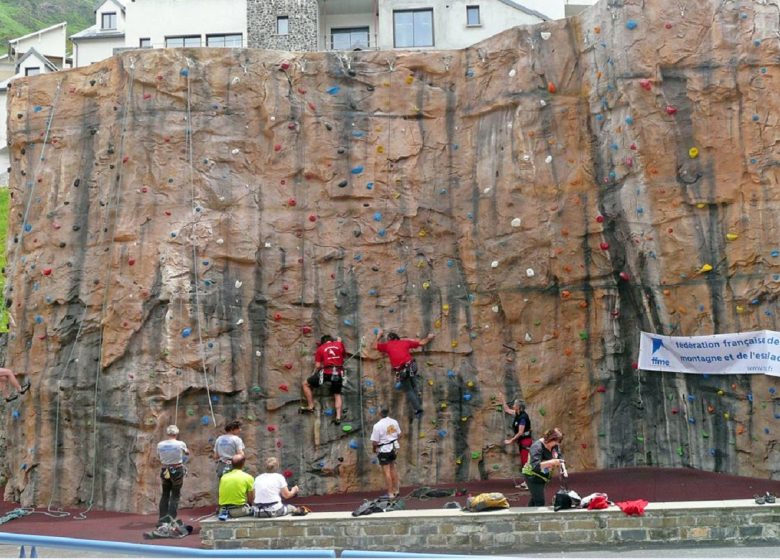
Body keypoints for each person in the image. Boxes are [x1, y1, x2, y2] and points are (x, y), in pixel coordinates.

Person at [374, 329, 435, 418]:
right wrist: (429, 338)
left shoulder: (388, 345)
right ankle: (417, 392)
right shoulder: (405, 342)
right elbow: (422, 343)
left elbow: (373, 346)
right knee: (412, 384)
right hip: (412, 366)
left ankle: (418, 410)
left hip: (402, 370)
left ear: (391, 339)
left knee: (408, 390)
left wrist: (378, 335)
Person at [301, 335, 346, 424]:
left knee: (305, 384)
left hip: (326, 373)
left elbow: (317, 365)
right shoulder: (339, 344)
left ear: (323, 342)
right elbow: (343, 356)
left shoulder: (321, 348)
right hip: (338, 373)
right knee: (337, 394)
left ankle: (311, 406)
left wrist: (314, 373)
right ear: (331, 341)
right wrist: (339, 342)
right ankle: (338, 417)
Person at [522, 428, 565, 507]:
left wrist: (561, 466)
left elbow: (559, 456)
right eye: (556, 442)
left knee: (535, 498)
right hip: (532, 476)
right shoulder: (537, 447)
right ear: (550, 439)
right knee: (540, 501)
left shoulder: (555, 446)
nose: (557, 444)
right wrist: (551, 462)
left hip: (543, 476)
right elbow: (535, 466)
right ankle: (538, 518)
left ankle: (527, 515)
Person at [156, 425, 189, 526]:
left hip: (165, 469)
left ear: (167, 433)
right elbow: (187, 453)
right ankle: (171, 518)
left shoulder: (160, 444)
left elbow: (158, 456)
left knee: (165, 494)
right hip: (177, 469)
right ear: (176, 433)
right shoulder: (180, 444)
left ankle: (162, 518)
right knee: (175, 495)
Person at [501, 394, 532, 489]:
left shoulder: (523, 417)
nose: (513, 405)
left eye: (515, 404)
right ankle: (526, 482)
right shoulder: (517, 413)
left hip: (526, 442)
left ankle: (529, 483)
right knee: (524, 462)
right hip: (521, 442)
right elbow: (506, 410)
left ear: (518, 407)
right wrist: (502, 399)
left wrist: (511, 440)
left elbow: (520, 432)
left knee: (526, 462)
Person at [370, 407, 402, 499]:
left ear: (379, 413)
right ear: (388, 412)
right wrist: (394, 441)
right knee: (393, 469)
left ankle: (390, 493)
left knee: (387, 471)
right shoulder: (394, 422)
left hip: (384, 450)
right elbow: (400, 434)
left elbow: (375, 442)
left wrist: (374, 449)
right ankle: (396, 490)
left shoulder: (377, 425)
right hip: (394, 448)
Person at [217, 454, 255, 519]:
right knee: (257, 510)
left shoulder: (224, 477)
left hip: (223, 510)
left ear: (231, 464)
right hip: (239, 510)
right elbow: (250, 499)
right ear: (243, 464)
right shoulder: (248, 477)